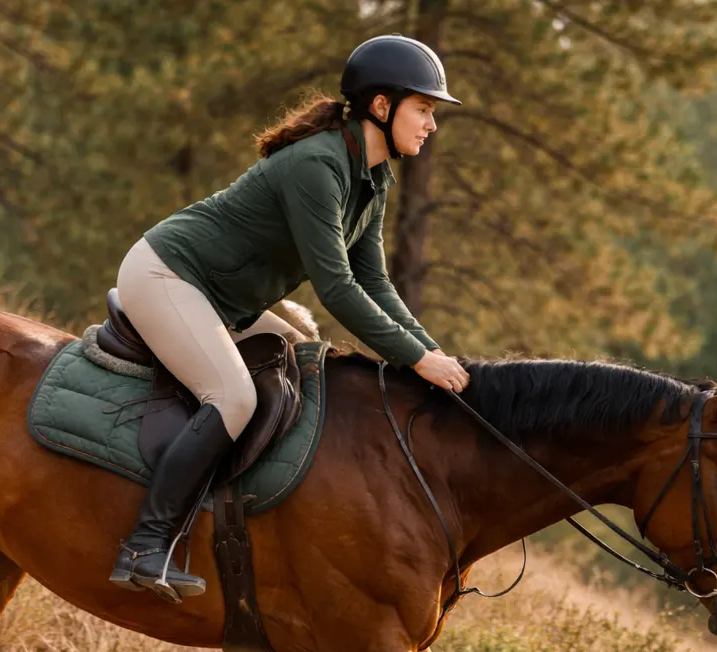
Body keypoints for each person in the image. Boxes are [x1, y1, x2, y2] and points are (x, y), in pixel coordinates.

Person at [109, 34, 473, 602]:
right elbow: (337, 288)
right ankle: (145, 544)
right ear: (382, 106)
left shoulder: (373, 176)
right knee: (234, 398)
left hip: (224, 300)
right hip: (167, 275)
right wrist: (417, 359)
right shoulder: (317, 165)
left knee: (308, 364)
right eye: (424, 109)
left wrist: (434, 353)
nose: (431, 124)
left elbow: (374, 280)